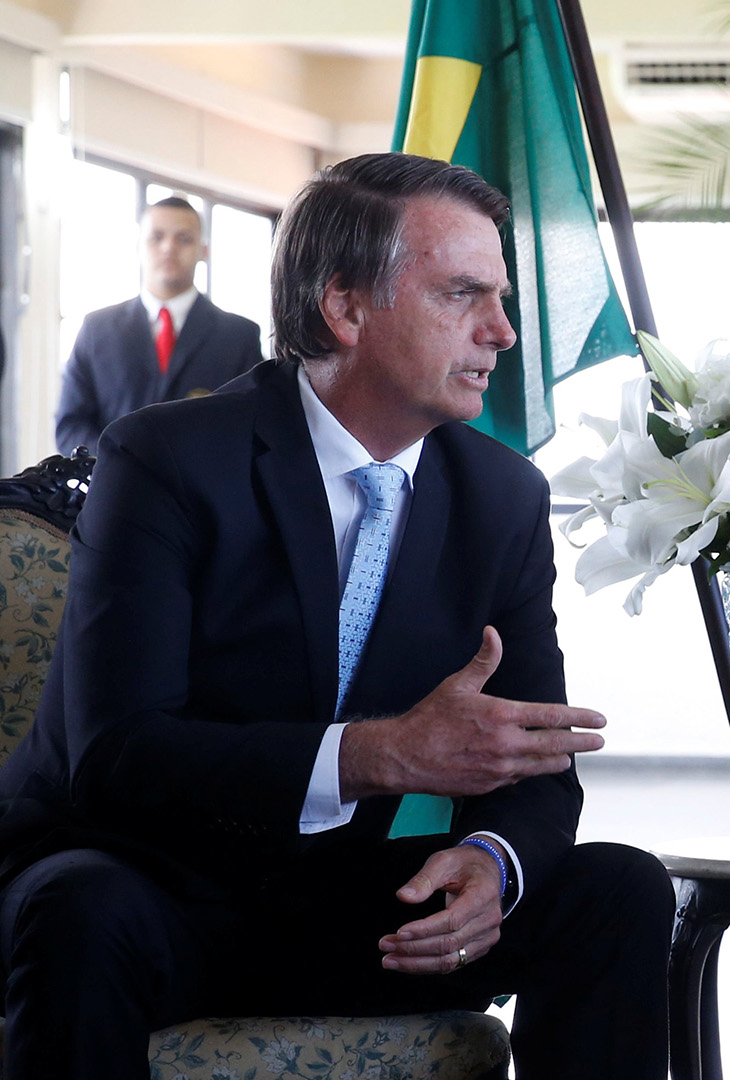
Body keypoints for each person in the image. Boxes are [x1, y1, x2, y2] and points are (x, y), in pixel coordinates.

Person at [0, 154, 672, 1079]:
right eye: (462, 296)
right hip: (154, 890)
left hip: (362, 906)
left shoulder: (501, 496)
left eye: (502, 297)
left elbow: (535, 765)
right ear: (346, 309)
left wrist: (491, 859)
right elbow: (115, 758)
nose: (503, 332)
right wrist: (378, 754)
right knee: (78, 906)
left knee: (619, 889)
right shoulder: (164, 460)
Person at [54, 196, 264, 455]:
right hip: (113, 487)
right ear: (138, 246)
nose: (168, 248)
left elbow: (255, 425)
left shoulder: (238, 336)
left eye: (184, 238)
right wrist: (114, 462)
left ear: (204, 250)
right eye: (156, 237)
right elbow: (70, 423)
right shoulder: (96, 330)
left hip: (202, 490)